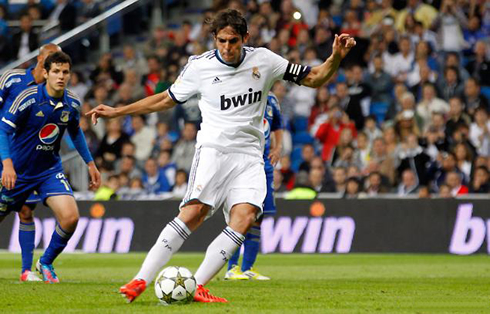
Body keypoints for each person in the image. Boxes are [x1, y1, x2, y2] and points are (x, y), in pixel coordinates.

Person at [88, 9, 355, 303]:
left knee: (246, 216)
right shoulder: (199, 68)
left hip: (250, 155)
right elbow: (165, 99)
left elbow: (314, 78)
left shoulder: (264, 60)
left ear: (245, 38)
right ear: (214, 39)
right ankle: (140, 278)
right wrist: (118, 111)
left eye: (233, 41)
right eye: (221, 41)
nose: (227, 48)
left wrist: (335, 58)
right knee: (194, 213)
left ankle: (197, 284)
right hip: (214, 151)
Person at [0, 51, 101, 283]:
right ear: (46, 73)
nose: (61, 76)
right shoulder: (27, 97)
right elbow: (4, 130)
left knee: (70, 217)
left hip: (48, 171)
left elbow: (75, 132)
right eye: (56, 71)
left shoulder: (73, 103)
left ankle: (45, 262)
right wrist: (6, 165)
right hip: (17, 171)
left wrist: (90, 163)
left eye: (65, 72)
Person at [0, 43, 60, 282]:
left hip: (26, 159)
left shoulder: (52, 90)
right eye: (49, 59)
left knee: (26, 210)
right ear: (39, 59)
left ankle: (26, 271)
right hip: (3, 153)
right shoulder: (11, 78)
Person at [225, 92, 283, 281]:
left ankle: (248, 267)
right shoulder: (242, 91)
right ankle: (231, 268)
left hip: (263, 165)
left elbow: (277, 126)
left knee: (258, 217)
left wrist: (278, 147)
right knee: (239, 214)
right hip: (242, 163)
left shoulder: (272, 100)